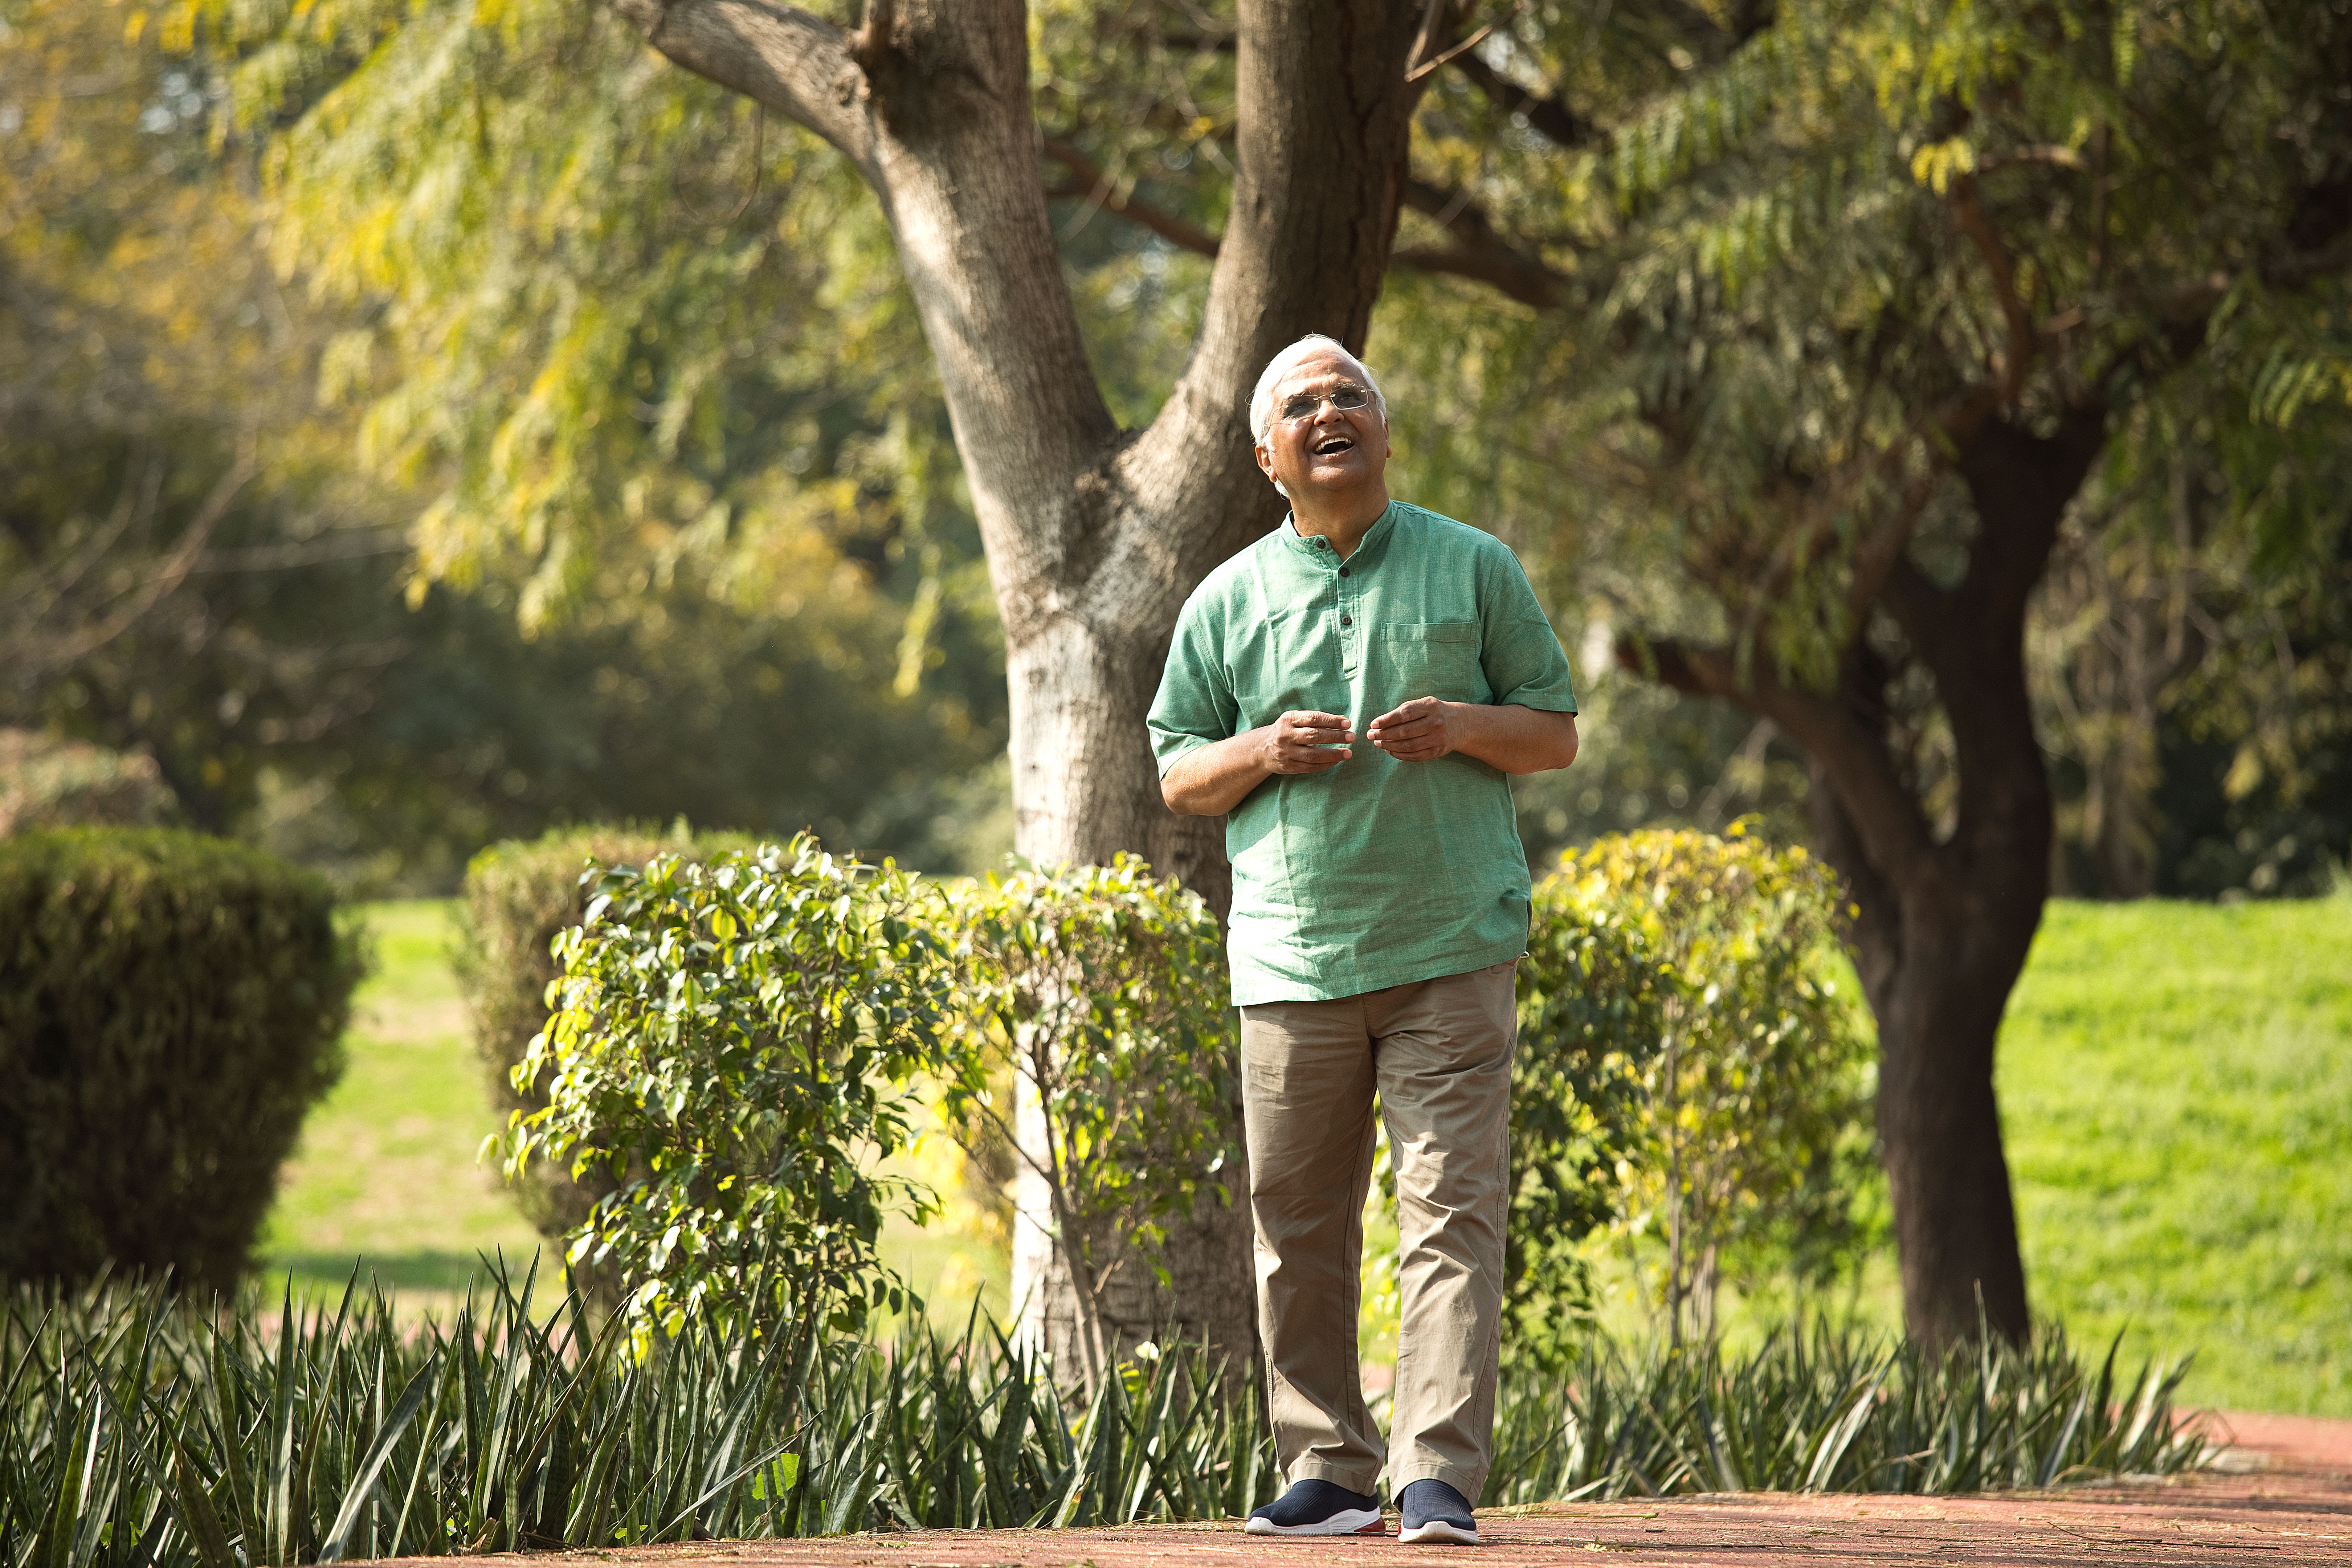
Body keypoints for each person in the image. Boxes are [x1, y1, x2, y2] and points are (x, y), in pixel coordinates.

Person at [1147, 335, 1581, 1544]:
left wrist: (1463, 726)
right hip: (1292, 958)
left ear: (1386, 435)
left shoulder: (1474, 567)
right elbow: (1180, 769)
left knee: (1451, 1209)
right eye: (1303, 404)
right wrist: (1261, 753)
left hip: (1452, 942)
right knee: (1299, 1224)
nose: (1331, 411)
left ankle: (1434, 1474)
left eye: (1352, 396)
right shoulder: (1226, 599)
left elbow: (1553, 734)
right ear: (1266, 456)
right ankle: (1329, 1469)